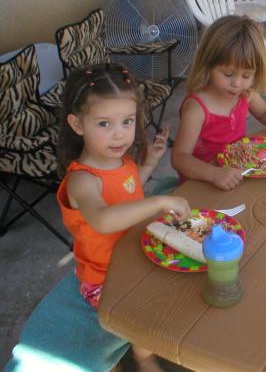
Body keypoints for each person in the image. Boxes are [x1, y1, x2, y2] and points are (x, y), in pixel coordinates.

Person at [57, 63, 192, 372]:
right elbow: (103, 220)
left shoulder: (121, 161)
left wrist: (149, 165)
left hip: (135, 255)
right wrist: (159, 201)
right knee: (143, 313)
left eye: (127, 121)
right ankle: (142, 357)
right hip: (104, 276)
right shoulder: (83, 180)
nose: (119, 134)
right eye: (104, 124)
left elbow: (128, 190)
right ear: (77, 125)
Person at [171, 15, 266, 190]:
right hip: (201, 184)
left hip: (237, 175)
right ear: (208, 65)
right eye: (228, 74)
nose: (236, 83)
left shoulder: (244, 94)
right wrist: (213, 174)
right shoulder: (197, 108)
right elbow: (180, 157)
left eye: (246, 76)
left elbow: (264, 111)